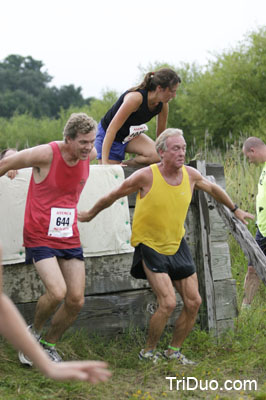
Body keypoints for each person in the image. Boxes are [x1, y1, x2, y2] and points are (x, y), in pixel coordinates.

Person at [78, 128, 254, 364]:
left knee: (194, 302)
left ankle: (173, 352)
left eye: (183, 148)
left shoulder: (191, 175)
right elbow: (113, 195)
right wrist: (89, 214)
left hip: (176, 243)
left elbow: (213, 188)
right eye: (175, 148)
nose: (181, 152)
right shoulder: (146, 176)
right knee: (168, 302)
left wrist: (235, 209)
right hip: (150, 244)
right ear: (161, 152)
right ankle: (148, 352)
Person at [0, 113, 97, 365]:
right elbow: (8, 161)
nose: (88, 147)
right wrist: (10, 166)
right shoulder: (47, 153)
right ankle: (32, 337)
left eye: (91, 141)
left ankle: (48, 344)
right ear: (68, 139)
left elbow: (107, 155)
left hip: (68, 234)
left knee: (76, 300)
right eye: (83, 142)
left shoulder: (91, 155)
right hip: (39, 232)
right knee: (56, 292)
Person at [0, 242, 111, 383]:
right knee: (57, 293)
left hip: (68, 238)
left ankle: (45, 345)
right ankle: (35, 335)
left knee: (75, 300)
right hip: (41, 237)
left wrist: (48, 367)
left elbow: (2, 307)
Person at [95, 68, 181, 166]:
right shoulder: (135, 99)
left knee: (157, 156)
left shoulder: (163, 105)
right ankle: (113, 165)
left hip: (129, 136)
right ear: (159, 88)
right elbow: (111, 130)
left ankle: (124, 165)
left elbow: (160, 137)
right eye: (172, 91)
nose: (174, 95)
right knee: (111, 173)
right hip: (108, 135)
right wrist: (105, 164)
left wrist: (165, 160)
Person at [241, 136, 266, 308]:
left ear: (253, 150)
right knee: (252, 268)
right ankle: (246, 309)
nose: (250, 161)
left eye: (249, 157)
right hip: (262, 227)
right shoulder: (264, 168)